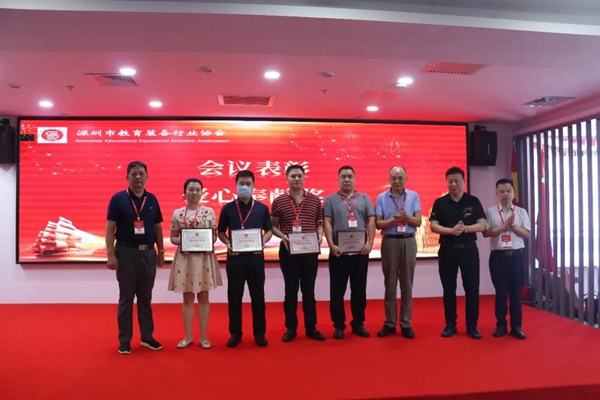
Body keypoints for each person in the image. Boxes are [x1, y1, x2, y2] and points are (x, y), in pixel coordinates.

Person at [105, 161, 165, 355]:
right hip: (126, 253)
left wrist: (161, 251)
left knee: (145, 299)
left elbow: (157, 227)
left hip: (148, 253)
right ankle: (124, 340)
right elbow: (110, 228)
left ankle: (147, 337)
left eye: (141, 174)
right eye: (134, 174)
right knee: (126, 298)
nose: (138, 177)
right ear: (127, 177)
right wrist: (110, 255)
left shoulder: (152, 199)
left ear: (147, 177)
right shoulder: (118, 199)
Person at [217, 170, 273, 348]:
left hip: (256, 259)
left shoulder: (262, 208)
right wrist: (228, 244)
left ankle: (260, 333)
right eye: (241, 184)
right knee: (234, 297)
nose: (245, 187)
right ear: (236, 185)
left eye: (248, 184)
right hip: (235, 260)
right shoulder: (227, 208)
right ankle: (235, 333)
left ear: (254, 186)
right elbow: (221, 232)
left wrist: (262, 242)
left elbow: (269, 230)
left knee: (258, 297)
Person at [271, 164, 326, 342]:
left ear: (304, 178)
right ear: (286, 179)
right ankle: (291, 329)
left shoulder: (315, 200)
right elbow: (272, 226)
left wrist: (320, 234)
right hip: (289, 251)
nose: (296, 179)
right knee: (291, 291)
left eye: (299, 176)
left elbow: (319, 223)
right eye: (293, 176)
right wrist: (283, 237)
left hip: (310, 251)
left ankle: (311, 328)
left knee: (309, 291)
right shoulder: (278, 201)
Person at [430, 166, 486, 339]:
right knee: (449, 289)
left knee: (472, 288)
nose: (453, 184)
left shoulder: (473, 201)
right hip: (447, 251)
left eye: (457, 181)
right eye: (450, 181)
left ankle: (472, 326)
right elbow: (433, 226)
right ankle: (450, 324)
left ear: (464, 181)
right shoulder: (440, 202)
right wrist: (451, 231)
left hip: (468, 250)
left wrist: (465, 229)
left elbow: (482, 225)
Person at [168, 178, 223, 349]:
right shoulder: (178, 213)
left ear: (202, 192)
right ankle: (188, 336)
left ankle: (204, 336)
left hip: (204, 258)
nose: (194, 193)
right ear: (184, 192)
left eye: (198, 190)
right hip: (185, 259)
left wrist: (207, 242)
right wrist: (184, 242)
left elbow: (214, 236)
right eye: (191, 189)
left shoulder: (209, 212)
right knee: (187, 298)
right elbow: (173, 237)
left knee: (204, 297)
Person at [324, 166, 376, 339]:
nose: (346, 179)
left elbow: (371, 220)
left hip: (360, 253)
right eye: (343, 176)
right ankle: (339, 325)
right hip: (338, 253)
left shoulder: (364, 198)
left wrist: (370, 243)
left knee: (359, 290)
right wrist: (331, 244)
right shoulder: (330, 199)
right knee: (337, 291)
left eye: (350, 176)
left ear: (355, 179)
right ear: (338, 179)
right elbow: (327, 222)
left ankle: (358, 323)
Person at [374, 166, 422, 339]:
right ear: (389, 179)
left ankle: (406, 323)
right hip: (390, 242)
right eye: (393, 178)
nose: (397, 181)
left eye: (400, 177)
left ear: (406, 179)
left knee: (407, 284)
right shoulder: (381, 197)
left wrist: (406, 218)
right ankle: (390, 323)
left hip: (408, 241)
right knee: (390, 285)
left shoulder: (413, 196)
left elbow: (418, 221)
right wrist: (394, 220)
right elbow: (378, 224)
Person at [483, 178, 530, 339]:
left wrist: (513, 226)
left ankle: (516, 326)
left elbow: (527, 234)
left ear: (513, 193)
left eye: (508, 191)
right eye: (502, 191)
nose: (505, 194)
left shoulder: (521, 212)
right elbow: (486, 233)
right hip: (498, 257)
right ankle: (501, 325)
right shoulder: (490, 212)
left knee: (516, 292)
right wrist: (502, 228)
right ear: (496, 194)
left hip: (516, 257)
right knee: (501, 292)